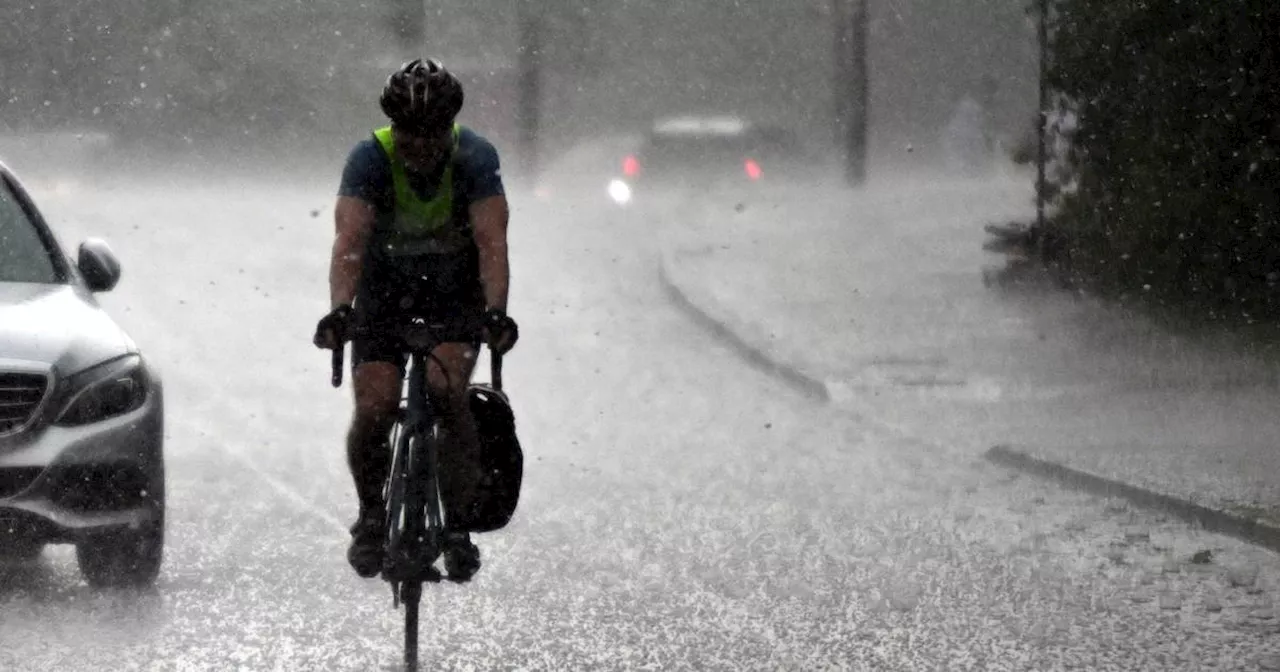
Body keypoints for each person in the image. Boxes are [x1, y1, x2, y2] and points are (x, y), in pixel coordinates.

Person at [313, 58, 518, 582]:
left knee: (445, 392)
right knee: (375, 406)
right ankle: (372, 514)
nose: (418, 146)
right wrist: (340, 310)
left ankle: (456, 526)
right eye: (407, 133)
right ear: (393, 127)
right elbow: (348, 244)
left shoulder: (474, 158)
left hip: (455, 295)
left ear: (448, 129)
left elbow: (492, 243)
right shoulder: (370, 159)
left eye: (430, 134)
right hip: (384, 295)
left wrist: (496, 312)